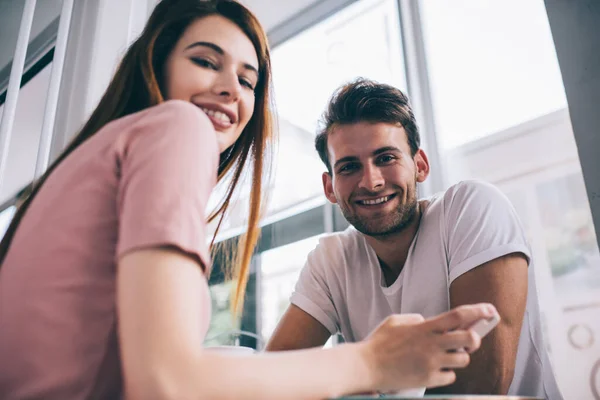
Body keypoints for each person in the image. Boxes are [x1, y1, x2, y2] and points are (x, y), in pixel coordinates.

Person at [0, 1, 497, 399]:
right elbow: (166, 384)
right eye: (204, 61)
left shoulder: (94, 158)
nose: (228, 90)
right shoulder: (178, 127)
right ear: (156, 62)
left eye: (247, 80)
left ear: (422, 165)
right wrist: (372, 361)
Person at [267, 78, 564, 399]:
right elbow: (270, 379)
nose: (371, 181)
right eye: (350, 166)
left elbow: (482, 386)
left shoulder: (471, 207)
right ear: (330, 188)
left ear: (419, 165)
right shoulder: (330, 259)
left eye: (386, 158)